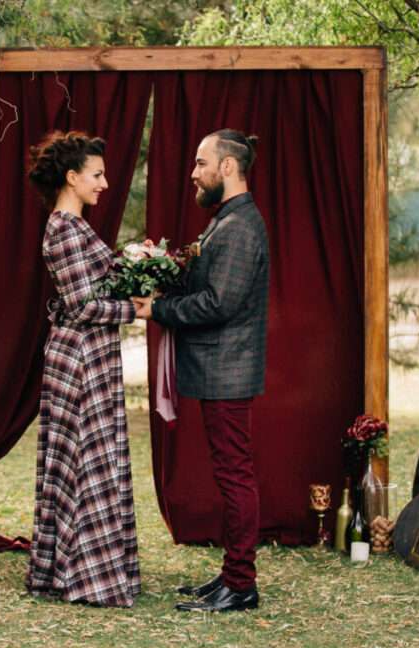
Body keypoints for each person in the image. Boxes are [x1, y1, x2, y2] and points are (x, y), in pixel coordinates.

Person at [133, 128, 270, 613]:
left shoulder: (239, 227)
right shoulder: (226, 221)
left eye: (200, 163)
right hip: (219, 370)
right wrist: (160, 268)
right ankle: (231, 576)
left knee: (235, 475)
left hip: (227, 370)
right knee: (230, 472)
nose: (193, 173)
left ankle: (241, 584)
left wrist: (159, 310)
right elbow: (206, 283)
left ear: (227, 167)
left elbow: (219, 302)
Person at [26, 131, 140, 608]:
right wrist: (138, 309)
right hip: (79, 357)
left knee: (91, 458)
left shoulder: (76, 227)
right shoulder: (64, 228)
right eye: (97, 175)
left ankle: (90, 570)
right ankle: (84, 576)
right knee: (83, 459)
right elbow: (83, 303)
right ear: (72, 178)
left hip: (92, 354)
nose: (106, 183)